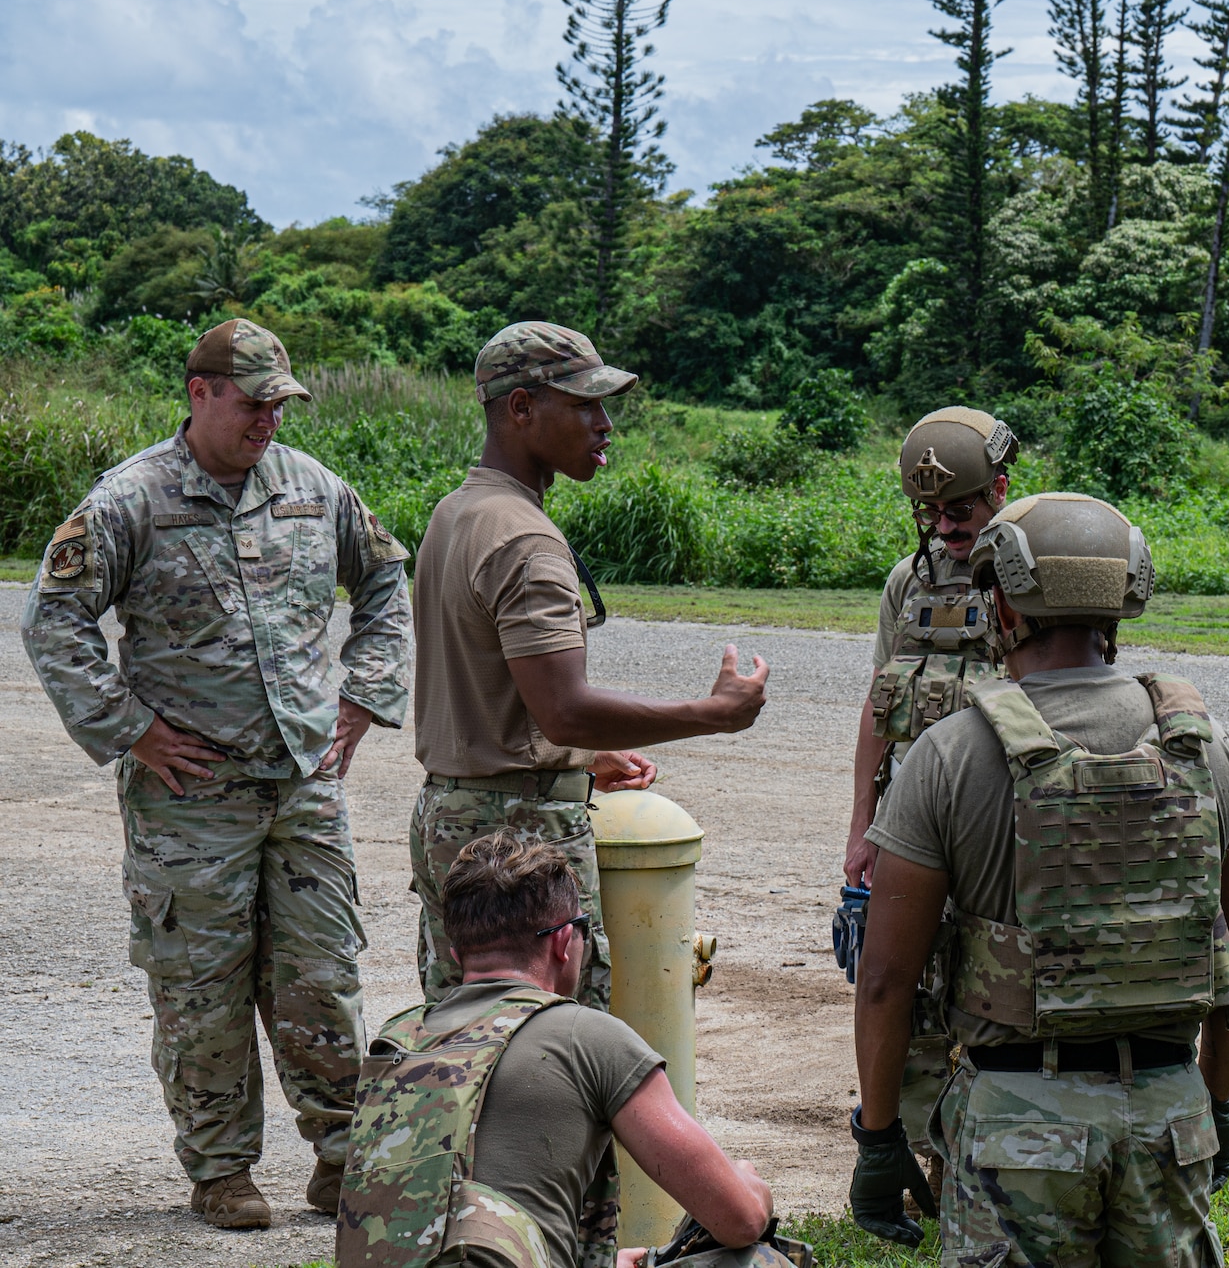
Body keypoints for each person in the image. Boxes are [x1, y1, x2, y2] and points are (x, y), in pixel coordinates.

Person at [20, 319, 413, 1228]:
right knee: (203, 987)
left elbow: (389, 581)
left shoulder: (315, 490)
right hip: (190, 798)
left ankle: (342, 1159)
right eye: (253, 401)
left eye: (281, 403)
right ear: (200, 393)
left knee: (322, 973)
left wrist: (365, 694)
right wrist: (132, 730)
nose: (270, 419)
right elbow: (54, 620)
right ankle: (222, 1170)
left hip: (305, 787)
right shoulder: (132, 499)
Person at [849, 493, 1229, 1264]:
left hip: (1018, 1123)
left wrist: (878, 1135)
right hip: (1170, 1115)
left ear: (1000, 603)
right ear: (1121, 599)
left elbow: (885, 980)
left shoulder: (950, 753)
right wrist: (1217, 1102)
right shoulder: (1210, 748)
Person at [409, 321, 770, 1014]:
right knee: (550, 1048)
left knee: (467, 1041)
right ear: (520, 408)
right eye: (583, 405)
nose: (604, 424)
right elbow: (563, 707)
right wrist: (713, 714)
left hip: (452, 811)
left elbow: (500, 697)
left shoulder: (458, 513)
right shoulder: (522, 537)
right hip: (517, 831)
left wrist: (574, 757)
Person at [338, 833, 776, 1268]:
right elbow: (740, 1218)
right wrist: (750, 1183)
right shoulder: (587, 1037)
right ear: (564, 943)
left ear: (456, 953)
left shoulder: (397, 1039)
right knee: (758, 1260)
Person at [842, 406, 1015, 1190]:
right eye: (931, 512)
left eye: (961, 510)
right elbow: (880, 707)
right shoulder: (905, 585)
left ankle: (975, 1169)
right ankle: (916, 1158)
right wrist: (862, 830)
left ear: (1000, 493)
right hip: (913, 825)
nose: (945, 526)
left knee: (986, 994)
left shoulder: (1032, 574)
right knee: (904, 989)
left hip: (995, 828)